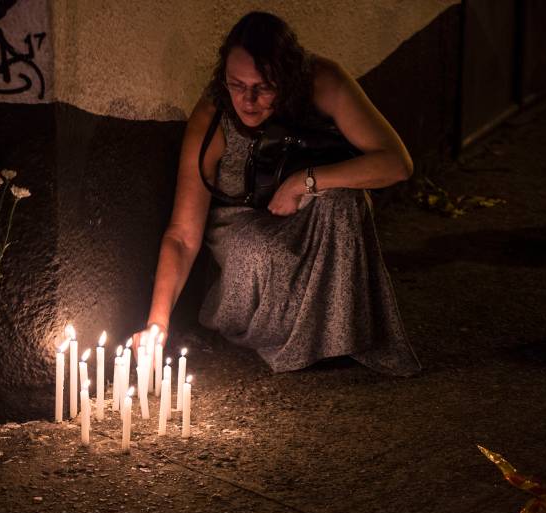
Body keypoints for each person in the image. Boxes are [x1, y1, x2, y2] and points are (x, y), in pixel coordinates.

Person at [138, 11, 420, 376]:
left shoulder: (322, 81)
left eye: (264, 87)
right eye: (236, 85)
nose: (249, 100)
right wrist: (157, 323)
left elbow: (397, 163)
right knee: (260, 249)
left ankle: (334, 337)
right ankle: (286, 338)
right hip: (242, 225)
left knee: (345, 202)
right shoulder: (213, 118)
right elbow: (182, 234)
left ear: (287, 78)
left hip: (306, 207)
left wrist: (306, 181)